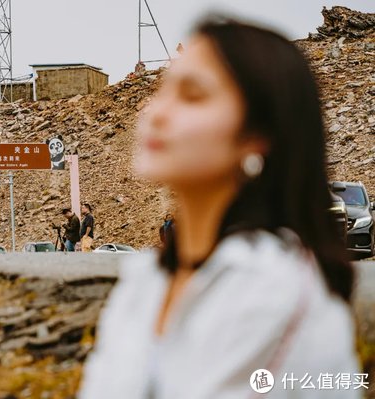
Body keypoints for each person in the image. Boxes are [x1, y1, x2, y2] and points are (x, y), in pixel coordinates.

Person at [79, 17, 358, 399]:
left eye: (193, 95)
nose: (156, 113)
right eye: (164, 91)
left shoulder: (273, 287)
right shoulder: (146, 279)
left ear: (257, 135)